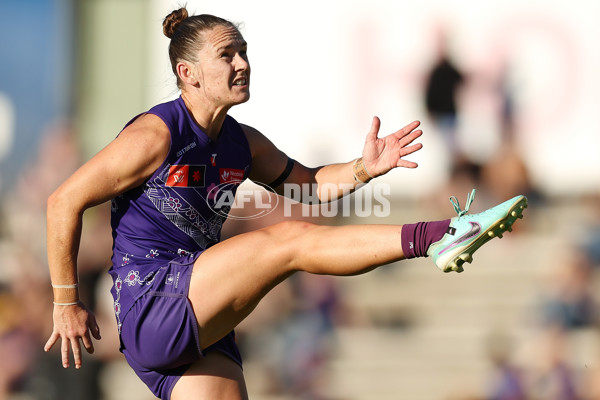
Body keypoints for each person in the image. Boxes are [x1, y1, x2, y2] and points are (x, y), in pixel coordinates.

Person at [43, 8, 528, 400]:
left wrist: (364, 168)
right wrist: (66, 301)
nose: (242, 64)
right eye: (227, 54)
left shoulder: (242, 142)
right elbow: (63, 202)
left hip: (197, 316)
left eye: (244, 52)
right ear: (186, 74)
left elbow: (310, 185)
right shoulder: (155, 134)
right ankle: (441, 235)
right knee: (287, 241)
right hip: (154, 301)